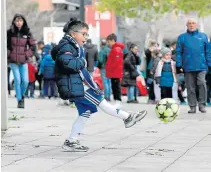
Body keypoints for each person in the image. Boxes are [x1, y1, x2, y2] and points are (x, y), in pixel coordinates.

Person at [52, 20, 147, 151]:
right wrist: (82, 62)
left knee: (85, 112)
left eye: (87, 34)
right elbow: (69, 64)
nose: (86, 37)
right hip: (77, 86)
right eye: (84, 34)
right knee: (102, 103)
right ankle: (128, 117)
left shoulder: (72, 46)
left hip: (76, 85)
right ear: (73, 34)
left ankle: (71, 141)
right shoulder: (67, 47)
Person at [176, 18, 211, 113]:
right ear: (186, 25)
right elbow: (178, 52)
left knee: (202, 83)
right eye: (189, 23)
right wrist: (178, 65)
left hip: (202, 66)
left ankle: (202, 105)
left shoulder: (203, 36)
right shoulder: (181, 37)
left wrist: (209, 64)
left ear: (196, 25)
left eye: (193, 23)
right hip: (187, 66)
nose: (191, 25)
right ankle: (192, 106)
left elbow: (207, 51)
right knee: (190, 87)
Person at [7, 14, 36, 108]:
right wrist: (8, 55)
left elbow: (33, 47)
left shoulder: (27, 32)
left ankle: (21, 95)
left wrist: (26, 55)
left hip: (23, 61)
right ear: (14, 22)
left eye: (20, 21)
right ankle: (19, 100)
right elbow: (5, 46)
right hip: (13, 61)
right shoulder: (10, 32)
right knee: (17, 80)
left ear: (23, 22)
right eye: (17, 21)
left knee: (26, 81)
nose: (18, 23)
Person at [105, 33, 124, 105]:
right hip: (114, 72)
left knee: (116, 87)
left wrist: (110, 68)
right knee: (114, 86)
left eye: (109, 41)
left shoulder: (116, 49)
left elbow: (116, 62)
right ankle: (117, 100)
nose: (108, 43)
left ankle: (118, 100)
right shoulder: (115, 49)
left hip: (115, 72)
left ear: (113, 40)